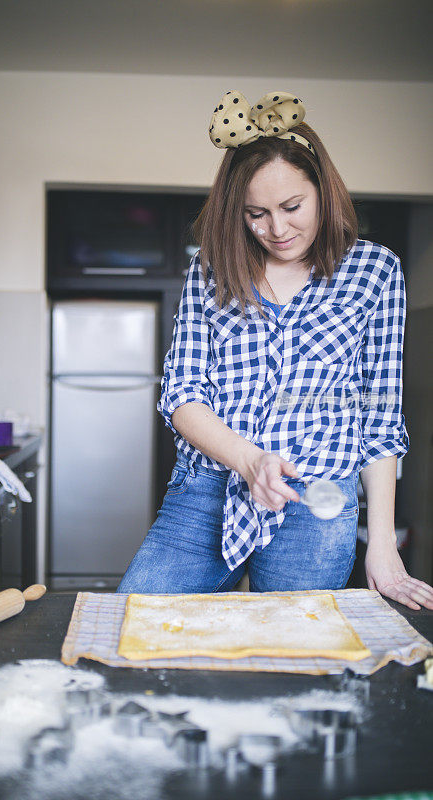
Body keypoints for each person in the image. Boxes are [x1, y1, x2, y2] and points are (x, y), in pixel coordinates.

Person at [117, 90, 433, 611]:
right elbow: (182, 393)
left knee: (294, 659)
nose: (277, 230)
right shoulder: (210, 272)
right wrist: (250, 461)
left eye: (292, 207)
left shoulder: (376, 273)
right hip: (208, 491)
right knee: (138, 621)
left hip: (318, 502)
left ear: (323, 193)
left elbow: (378, 417)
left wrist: (381, 544)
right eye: (256, 214)